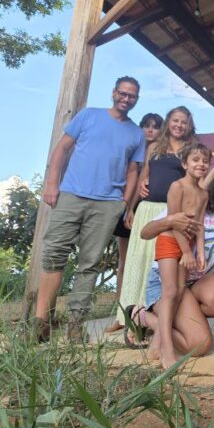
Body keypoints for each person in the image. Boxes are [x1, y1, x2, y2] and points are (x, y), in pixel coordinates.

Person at [34, 76, 146, 343]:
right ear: (114, 93)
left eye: (131, 96)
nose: (126, 99)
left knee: (90, 263)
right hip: (71, 194)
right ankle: (40, 321)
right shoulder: (89, 116)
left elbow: (133, 171)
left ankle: (76, 323)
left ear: (136, 100)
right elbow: (62, 149)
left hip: (107, 204)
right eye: (122, 93)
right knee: (54, 254)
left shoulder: (136, 133)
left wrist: (124, 203)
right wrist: (52, 183)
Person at [133, 166, 214, 359]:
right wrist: (170, 220)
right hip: (168, 281)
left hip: (196, 282)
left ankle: (178, 318)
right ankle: (144, 318)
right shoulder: (192, 203)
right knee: (200, 346)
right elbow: (145, 232)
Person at [113, 106, 196, 330]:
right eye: (175, 120)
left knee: (157, 266)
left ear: (189, 126)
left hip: (169, 212)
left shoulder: (189, 150)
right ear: (169, 121)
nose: (179, 125)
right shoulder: (153, 147)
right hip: (147, 209)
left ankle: (153, 317)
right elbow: (143, 178)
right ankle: (124, 317)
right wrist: (131, 209)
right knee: (136, 262)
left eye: (184, 122)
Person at [153, 145, 214, 369]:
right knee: (170, 292)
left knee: (178, 293)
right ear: (185, 164)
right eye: (195, 160)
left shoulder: (203, 193)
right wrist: (186, 252)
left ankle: (155, 345)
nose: (201, 164)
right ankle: (167, 350)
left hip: (186, 245)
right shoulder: (177, 187)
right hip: (170, 242)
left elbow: (199, 225)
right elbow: (173, 220)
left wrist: (200, 250)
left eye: (205, 161)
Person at [106, 112, 164, 333]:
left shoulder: (161, 153)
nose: (150, 130)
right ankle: (120, 313)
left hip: (150, 208)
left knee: (147, 262)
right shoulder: (132, 149)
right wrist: (127, 208)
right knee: (125, 263)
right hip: (129, 206)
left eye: (155, 127)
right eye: (146, 126)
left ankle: (144, 312)